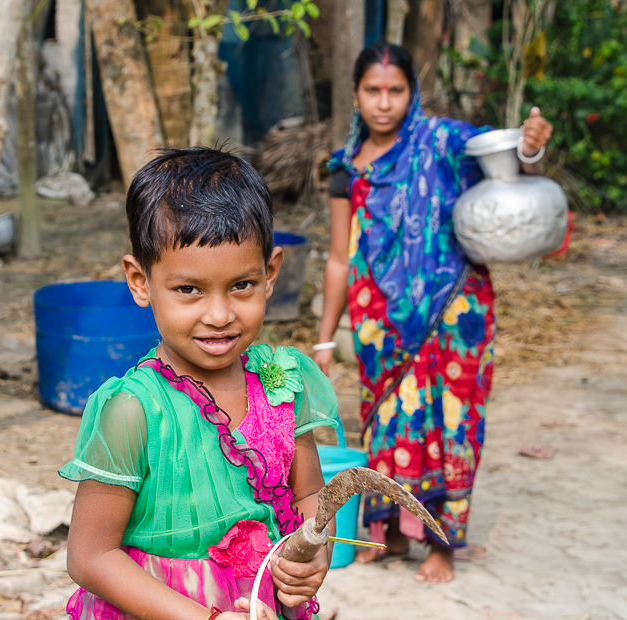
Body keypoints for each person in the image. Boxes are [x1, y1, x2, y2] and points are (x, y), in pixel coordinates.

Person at [61, 147, 341, 620]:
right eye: (188, 289)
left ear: (271, 273)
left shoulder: (284, 385)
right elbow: (89, 557)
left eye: (242, 285)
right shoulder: (133, 411)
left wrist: (314, 556)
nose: (219, 315)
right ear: (140, 280)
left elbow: (310, 495)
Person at [314, 42, 553, 583]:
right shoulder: (344, 169)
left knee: (453, 426)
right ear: (355, 94)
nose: (384, 103)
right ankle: (394, 533)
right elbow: (335, 257)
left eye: (395, 90)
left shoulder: (446, 142)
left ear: (411, 92)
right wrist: (325, 338)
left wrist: (532, 148)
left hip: (456, 307)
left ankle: (444, 544)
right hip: (381, 319)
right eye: (372, 91)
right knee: (390, 426)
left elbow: (511, 163)